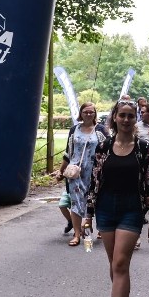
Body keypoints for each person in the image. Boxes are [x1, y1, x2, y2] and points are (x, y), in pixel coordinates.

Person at [83, 100, 149, 297]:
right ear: (114, 118)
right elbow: (94, 180)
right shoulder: (103, 147)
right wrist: (88, 213)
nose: (126, 120)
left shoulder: (143, 148)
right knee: (114, 264)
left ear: (135, 119)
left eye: (130, 116)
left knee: (120, 262)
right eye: (122, 115)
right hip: (106, 209)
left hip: (131, 209)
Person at [58, 102, 108, 247]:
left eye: (91, 112)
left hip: (95, 172)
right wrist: (61, 171)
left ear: (95, 114)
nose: (88, 114)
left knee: (95, 201)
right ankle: (77, 234)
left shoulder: (100, 130)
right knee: (76, 202)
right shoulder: (74, 130)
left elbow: (108, 151)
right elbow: (68, 152)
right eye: (86, 112)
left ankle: (98, 229)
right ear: (81, 113)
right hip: (76, 173)